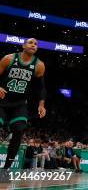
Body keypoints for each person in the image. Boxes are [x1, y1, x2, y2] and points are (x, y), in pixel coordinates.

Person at [0, 38, 46, 170]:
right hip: (2, 102)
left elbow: (41, 87)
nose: (34, 45)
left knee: (19, 131)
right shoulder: (8, 59)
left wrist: (41, 104)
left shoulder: (39, 65)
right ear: (23, 46)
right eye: (30, 43)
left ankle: (6, 169)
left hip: (19, 104)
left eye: (36, 44)